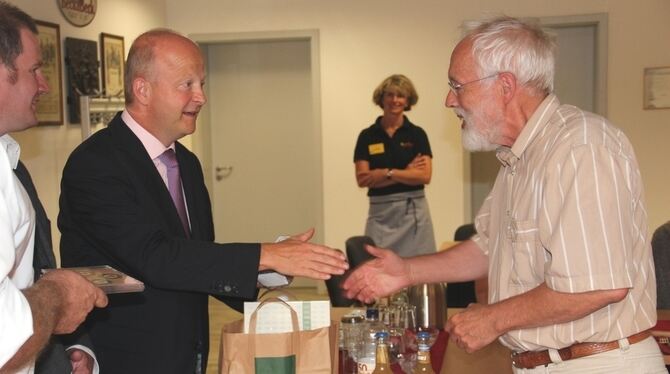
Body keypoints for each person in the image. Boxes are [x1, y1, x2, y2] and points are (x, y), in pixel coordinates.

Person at [343, 16, 666, 373]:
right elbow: (487, 246)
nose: (450, 100)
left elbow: (597, 286)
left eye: (458, 85)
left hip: (596, 364)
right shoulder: (519, 159)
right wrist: (408, 270)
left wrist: (494, 319)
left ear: (505, 86)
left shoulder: (581, 147)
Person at [58, 28, 349, 374]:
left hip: (188, 354)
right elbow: (155, 257)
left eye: (202, 84)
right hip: (126, 358)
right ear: (142, 89)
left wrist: (270, 268)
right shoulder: (96, 163)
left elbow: (196, 259)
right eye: (187, 85)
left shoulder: (187, 163)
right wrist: (265, 254)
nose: (200, 97)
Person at [0, 2, 108, 373]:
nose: (44, 84)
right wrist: (59, 295)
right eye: (34, 70)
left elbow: (33, 269)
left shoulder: (10, 161)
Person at [353, 74, 436, 257]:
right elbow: (363, 178)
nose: (395, 100)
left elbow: (424, 176)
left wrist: (385, 173)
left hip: (413, 213)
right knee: (376, 265)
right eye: (389, 95)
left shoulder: (417, 134)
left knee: (419, 269)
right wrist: (406, 173)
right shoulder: (367, 136)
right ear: (381, 99)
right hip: (380, 215)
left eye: (401, 96)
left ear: (408, 101)